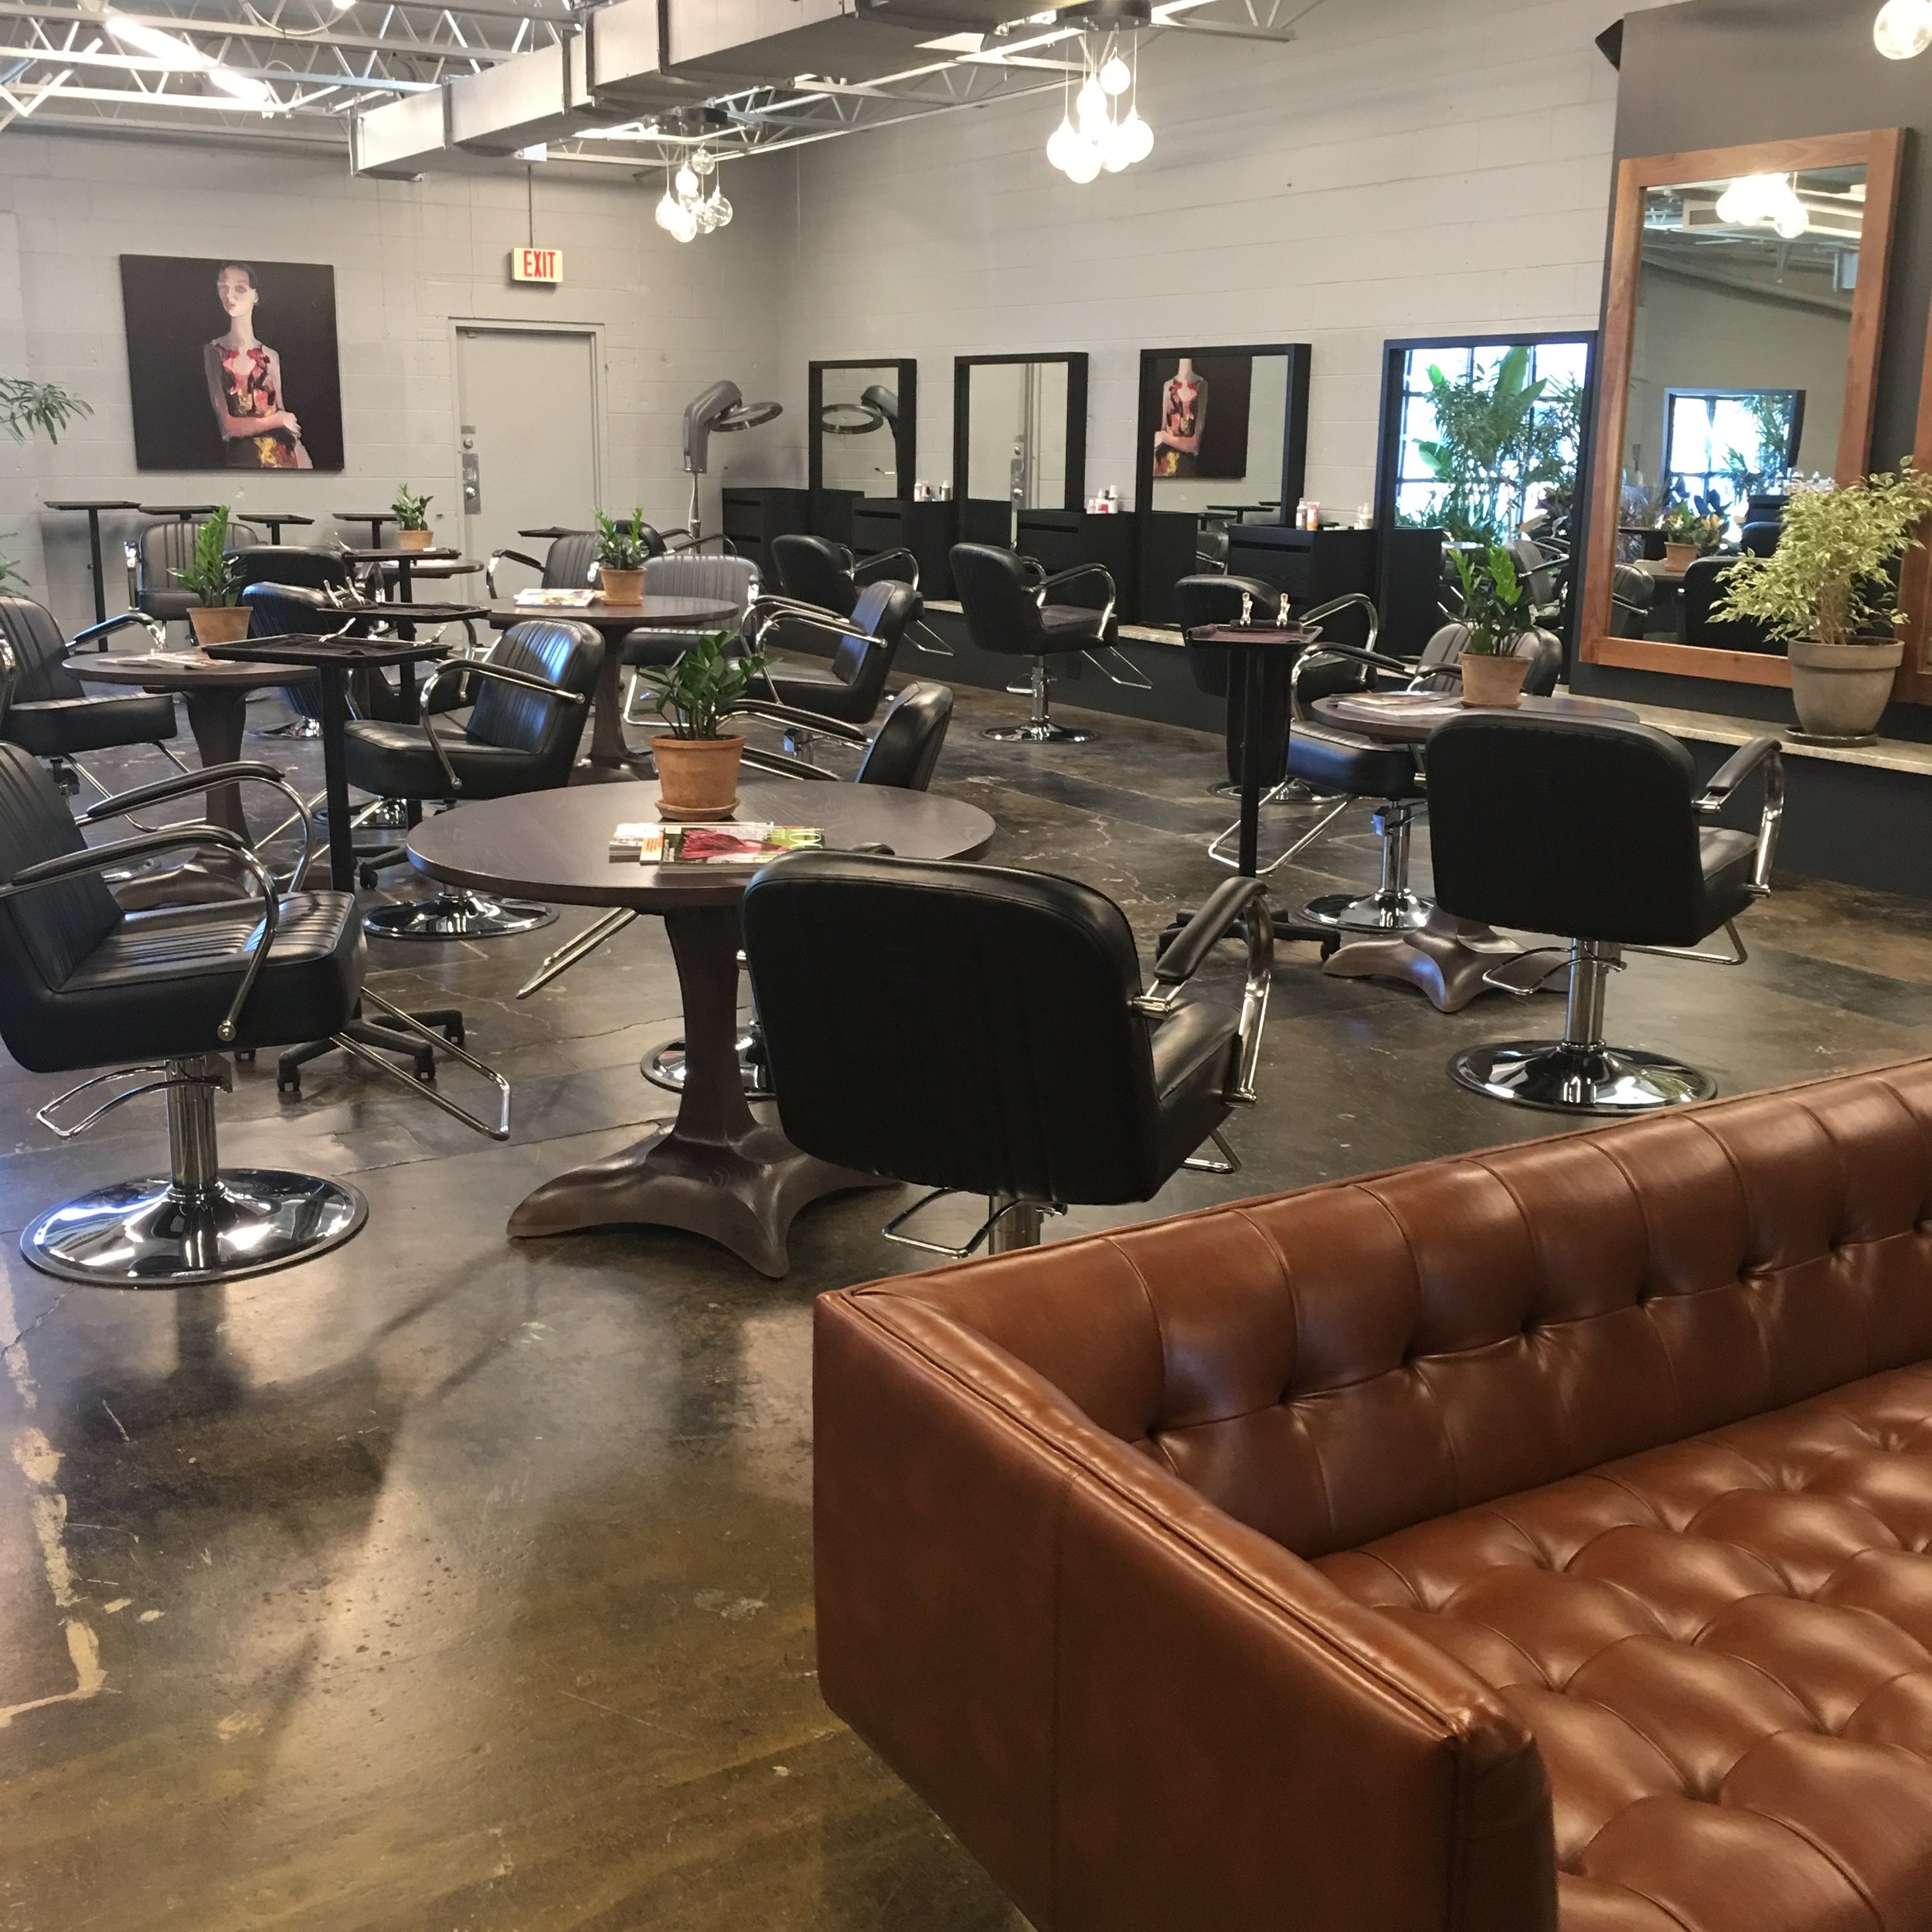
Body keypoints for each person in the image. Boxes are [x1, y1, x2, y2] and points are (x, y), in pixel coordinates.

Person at [202, 261, 311, 469]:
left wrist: (305, 465)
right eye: (224, 288)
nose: (230, 296)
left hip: (284, 462)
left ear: (256, 295)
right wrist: (277, 420)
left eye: (240, 289)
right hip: (245, 464)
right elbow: (228, 427)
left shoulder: (270, 357)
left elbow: (285, 419)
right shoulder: (214, 353)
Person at [1152, 356, 1208, 479]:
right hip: (1162, 466)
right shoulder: (1168, 386)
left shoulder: (1201, 385)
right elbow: (1163, 429)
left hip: (1184, 467)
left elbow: (1194, 446)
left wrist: (1165, 437)